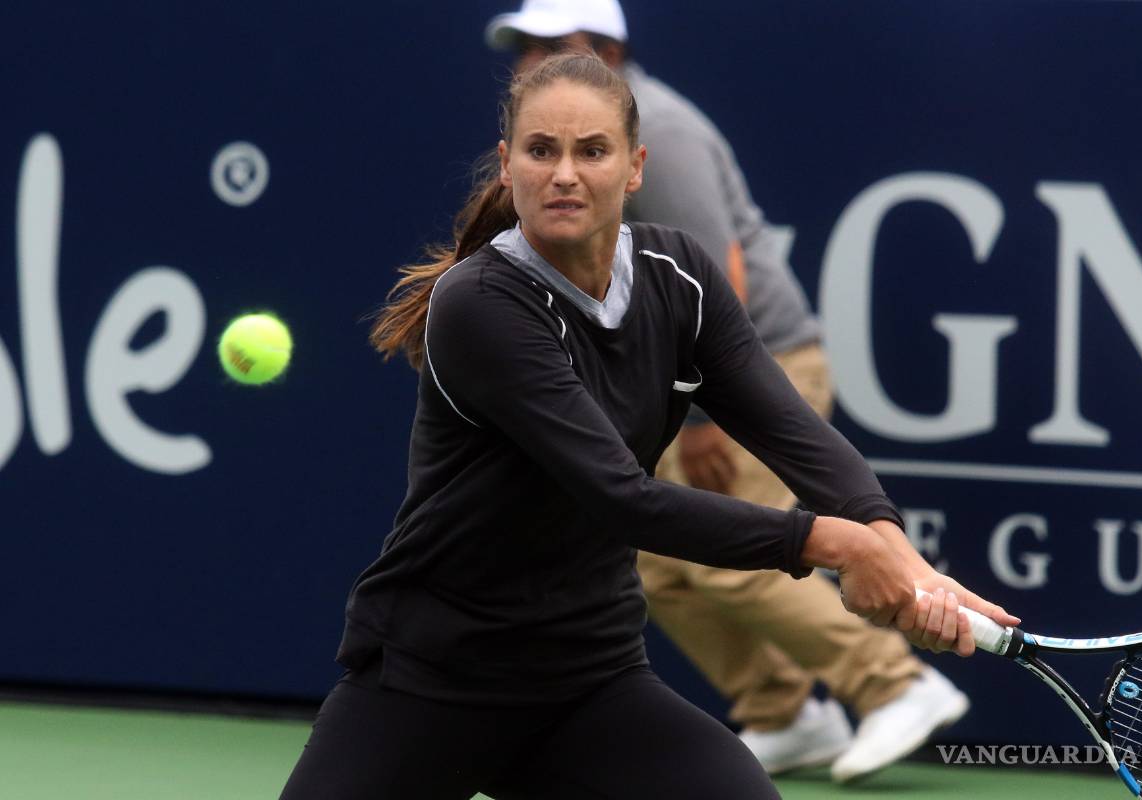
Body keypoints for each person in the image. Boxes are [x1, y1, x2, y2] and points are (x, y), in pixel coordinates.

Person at [279, 52, 1017, 800]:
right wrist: (832, 543)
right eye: (542, 151)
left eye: (592, 151)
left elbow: (795, 434)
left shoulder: (681, 277)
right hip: (428, 682)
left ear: (634, 167)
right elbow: (621, 496)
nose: (565, 173)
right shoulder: (479, 305)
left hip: (586, 688)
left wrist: (897, 552)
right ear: (508, 166)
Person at [483, 0, 973, 783]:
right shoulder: (577, 139)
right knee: (657, 564)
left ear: (605, 49)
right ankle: (784, 711)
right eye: (526, 47)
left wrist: (708, 418)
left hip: (755, 365)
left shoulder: (660, 133)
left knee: (713, 559)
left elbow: (717, 277)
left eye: (549, 44)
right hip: (680, 373)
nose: (528, 61)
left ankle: (899, 685)